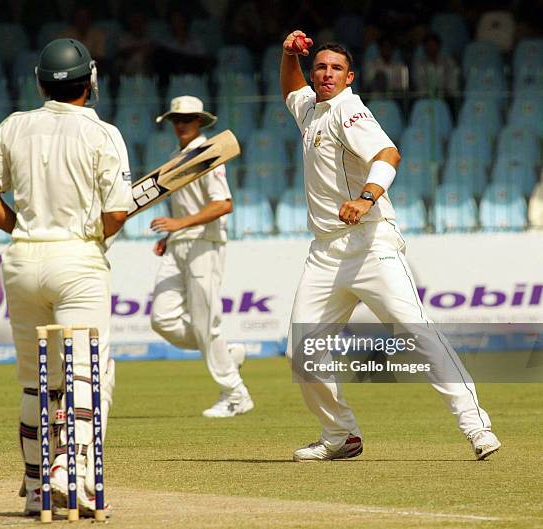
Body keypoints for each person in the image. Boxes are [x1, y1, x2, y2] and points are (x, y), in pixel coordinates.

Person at [280, 30, 501, 461]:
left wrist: (365, 198)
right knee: (302, 351)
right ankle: (341, 435)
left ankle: (476, 427)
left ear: (350, 78)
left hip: (369, 246)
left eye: (336, 69)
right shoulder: (309, 106)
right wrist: (289, 55)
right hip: (324, 252)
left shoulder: (349, 110)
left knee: (418, 334)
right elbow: (292, 88)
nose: (326, 74)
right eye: (320, 67)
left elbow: (388, 154)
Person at [0, 38, 132, 516]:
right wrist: (90, 237)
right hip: (77, 259)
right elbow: (118, 212)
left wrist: (22, 227)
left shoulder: (13, 126)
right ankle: (73, 473)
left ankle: (36, 485)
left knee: (35, 381)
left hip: (21, 260)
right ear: (91, 81)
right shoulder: (103, 134)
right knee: (88, 373)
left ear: (41, 82)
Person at [150, 95, 254, 418]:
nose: (181, 125)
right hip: (180, 243)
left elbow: (223, 204)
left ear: (199, 122)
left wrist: (178, 225)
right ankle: (226, 353)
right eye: (176, 120)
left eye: (187, 119)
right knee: (162, 318)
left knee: (206, 324)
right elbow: (188, 207)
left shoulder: (211, 155)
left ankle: (237, 394)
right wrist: (172, 234)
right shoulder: (176, 157)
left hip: (204, 245)